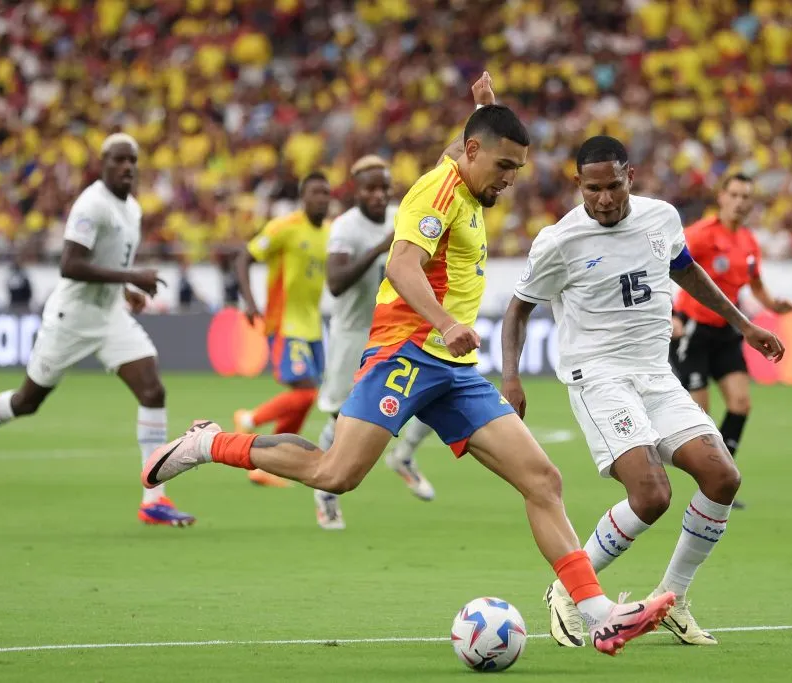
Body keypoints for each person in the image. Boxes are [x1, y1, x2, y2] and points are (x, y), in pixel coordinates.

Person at [142, 75, 675, 657]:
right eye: (503, 166)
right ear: (474, 154)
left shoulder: (468, 172)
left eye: (516, 169)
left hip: (455, 368)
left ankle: (597, 614)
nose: (509, 180)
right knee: (335, 474)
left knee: (543, 479)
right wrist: (446, 323)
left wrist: (485, 112)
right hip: (408, 351)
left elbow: (462, 148)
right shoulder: (437, 195)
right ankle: (210, 443)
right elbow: (401, 266)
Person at [502, 136, 784, 648]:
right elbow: (518, 309)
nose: (604, 200)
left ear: (629, 177)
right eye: (593, 190)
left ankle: (673, 600)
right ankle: (571, 589)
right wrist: (511, 376)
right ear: (577, 186)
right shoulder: (559, 241)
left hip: (655, 374)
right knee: (652, 495)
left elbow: (686, 271)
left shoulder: (661, 218)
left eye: (613, 187)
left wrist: (744, 324)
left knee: (723, 477)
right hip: (599, 377)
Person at [0, 133, 196, 527]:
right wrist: (131, 276)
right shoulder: (91, 205)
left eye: (132, 161)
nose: (127, 167)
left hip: (108, 316)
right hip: (70, 318)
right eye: (119, 160)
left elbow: (103, 260)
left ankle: (153, 500)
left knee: (152, 390)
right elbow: (70, 264)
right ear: (103, 164)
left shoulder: (132, 209)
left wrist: (124, 290)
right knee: (27, 401)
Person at [314, 154, 436, 530]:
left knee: (438, 394)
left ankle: (403, 457)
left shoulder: (403, 215)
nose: (380, 195)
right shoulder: (344, 228)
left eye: (385, 187)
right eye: (371, 188)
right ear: (355, 190)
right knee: (342, 420)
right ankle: (325, 493)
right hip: (354, 334)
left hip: (398, 330)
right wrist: (381, 248)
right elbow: (336, 282)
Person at [670, 173, 792, 509]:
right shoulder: (700, 234)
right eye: (735, 195)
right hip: (693, 330)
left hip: (726, 331)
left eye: (746, 197)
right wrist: (672, 314)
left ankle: (720, 479)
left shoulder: (748, 242)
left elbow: (754, 283)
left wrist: (772, 305)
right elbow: (666, 267)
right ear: (721, 197)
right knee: (701, 416)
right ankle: (707, 477)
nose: (740, 202)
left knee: (740, 404)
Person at [233, 172, 331, 489]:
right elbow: (244, 258)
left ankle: (268, 465)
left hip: (313, 326)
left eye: (326, 194)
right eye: (315, 193)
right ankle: (249, 420)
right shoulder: (285, 227)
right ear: (303, 198)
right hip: (285, 322)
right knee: (305, 392)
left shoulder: (330, 233)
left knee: (304, 399)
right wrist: (249, 302)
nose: (322, 199)